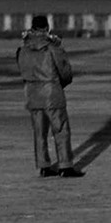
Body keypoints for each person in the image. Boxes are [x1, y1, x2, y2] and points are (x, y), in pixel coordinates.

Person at [16, 15, 83, 178]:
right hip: (52, 93)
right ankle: (65, 165)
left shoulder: (23, 49)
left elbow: (22, 70)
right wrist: (61, 84)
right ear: (46, 28)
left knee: (39, 132)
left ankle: (43, 165)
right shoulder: (53, 47)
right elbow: (65, 71)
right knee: (60, 130)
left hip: (32, 94)